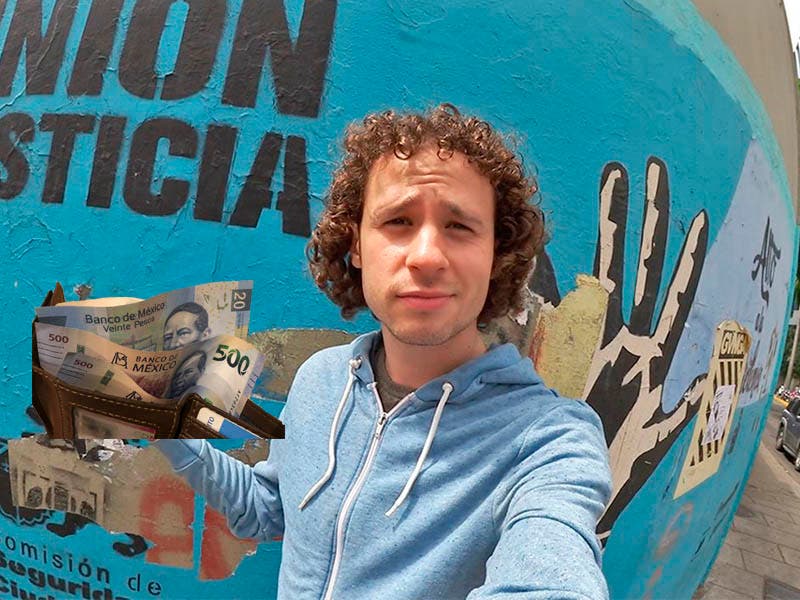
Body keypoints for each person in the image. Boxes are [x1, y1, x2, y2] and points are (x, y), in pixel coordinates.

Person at [156, 104, 612, 599]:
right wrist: (163, 421)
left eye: (459, 227)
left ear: (495, 255)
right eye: (398, 221)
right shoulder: (320, 379)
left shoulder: (547, 439)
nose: (427, 256)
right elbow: (265, 509)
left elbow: (552, 576)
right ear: (356, 245)